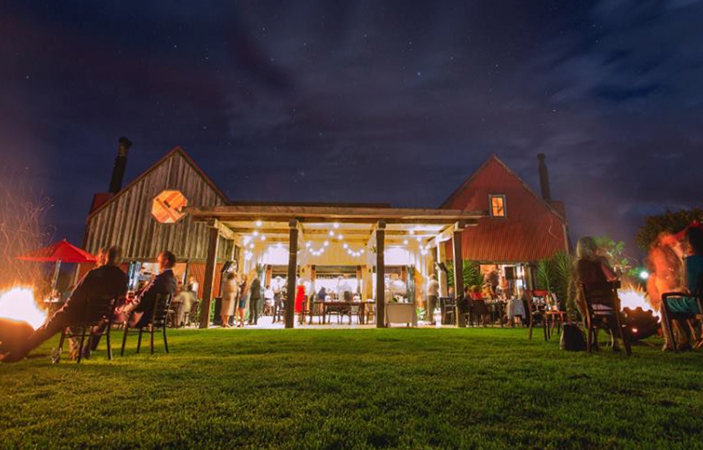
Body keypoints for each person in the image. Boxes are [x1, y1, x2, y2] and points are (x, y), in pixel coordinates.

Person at [1, 246, 128, 363]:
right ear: (119, 260)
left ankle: (16, 355)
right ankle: (78, 351)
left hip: (76, 314)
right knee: (69, 322)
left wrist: (63, 310)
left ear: (105, 257)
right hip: (98, 317)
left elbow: (75, 296)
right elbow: (121, 296)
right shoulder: (122, 277)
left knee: (46, 329)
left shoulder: (94, 274)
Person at [573, 237, 620, 350]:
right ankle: (615, 341)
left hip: (588, 307)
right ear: (594, 247)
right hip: (608, 306)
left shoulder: (578, 264)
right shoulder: (601, 261)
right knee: (614, 304)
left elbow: (577, 282)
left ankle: (594, 339)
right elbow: (613, 277)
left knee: (580, 302)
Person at [662, 227, 703, 350]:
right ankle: (689, 338)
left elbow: (688, 289)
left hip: (698, 303)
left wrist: (674, 292)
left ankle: (673, 342)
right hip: (698, 300)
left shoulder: (691, 261)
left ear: (689, 244)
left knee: (665, 303)